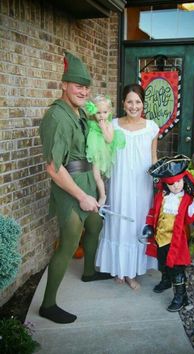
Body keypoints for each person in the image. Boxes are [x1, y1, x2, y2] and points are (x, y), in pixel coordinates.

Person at [39, 51, 111, 324]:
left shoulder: (78, 112)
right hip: (70, 189)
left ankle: (89, 271)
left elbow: (97, 130)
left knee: (95, 226)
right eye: (78, 85)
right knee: (68, 246)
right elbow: (53, 168)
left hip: (87, 183)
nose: (83, 91)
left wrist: (98, 115)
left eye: (86, 86)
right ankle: (48, 305)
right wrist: (82, 196)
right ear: (64, 85)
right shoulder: (56, 117)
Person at [96, 83, 159, 290]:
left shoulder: (152, 127)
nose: (134, 106)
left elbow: (153, 156)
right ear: (123, 103)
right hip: (120, 180)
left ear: (143, 104)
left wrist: (159, 181)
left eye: (138, 102)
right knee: (119, 222)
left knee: (137, 223)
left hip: (143, 183)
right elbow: (103, 150)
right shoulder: (112, 124)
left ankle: (132, 272)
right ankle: (119, 269)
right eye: (130, 101)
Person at [142, 155, 194, 312]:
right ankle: (165, 281)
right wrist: (149, 226)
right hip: (160, 237)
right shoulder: (162, 196)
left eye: (178, 182)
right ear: (165, 184)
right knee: (163, 262)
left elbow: (189, 219)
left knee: (176, 268)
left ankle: (180, 297)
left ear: (184, 179)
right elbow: (154, 212)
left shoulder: (186, 199)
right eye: (171, 184)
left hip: (177, 240)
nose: (176, 186)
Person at [85, 95, 126, 205]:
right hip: (93, 150)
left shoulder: (109, 125)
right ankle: (98, 193)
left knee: (97, 175)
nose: (102, 115)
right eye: (98, 113)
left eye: (104, 112)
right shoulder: (92, 123)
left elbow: (109, 139)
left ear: (109, 112)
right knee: (94, 175)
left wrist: (103, 128)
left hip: (101, 152)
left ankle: (103, 195)